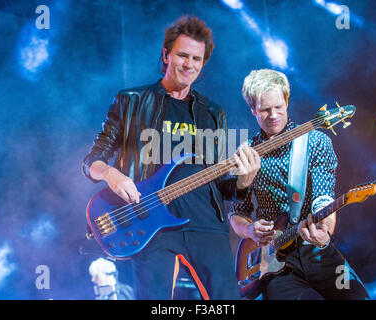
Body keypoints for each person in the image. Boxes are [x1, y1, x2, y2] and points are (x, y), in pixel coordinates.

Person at [82, 15, 260, 300]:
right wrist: (112, 175)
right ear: (166, 55)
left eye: (197, 59)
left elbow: (222, 186)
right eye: (182, 55)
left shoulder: (213, 113)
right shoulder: (132, 101)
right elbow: (93, 160)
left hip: (206, 224)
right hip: (152, 223)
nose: (189, 64)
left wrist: (244, 180)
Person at [229, 69, 370, 300]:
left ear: (287, 101)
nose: (273, 115)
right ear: (253, 110)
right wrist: (250, 230)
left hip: (316, 248)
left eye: (278, 107)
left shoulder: (316, 141)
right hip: (272, 261)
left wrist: (325, 230)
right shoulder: (246, 154)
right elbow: (237, 213)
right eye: (264, 109)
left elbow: (324, 197)